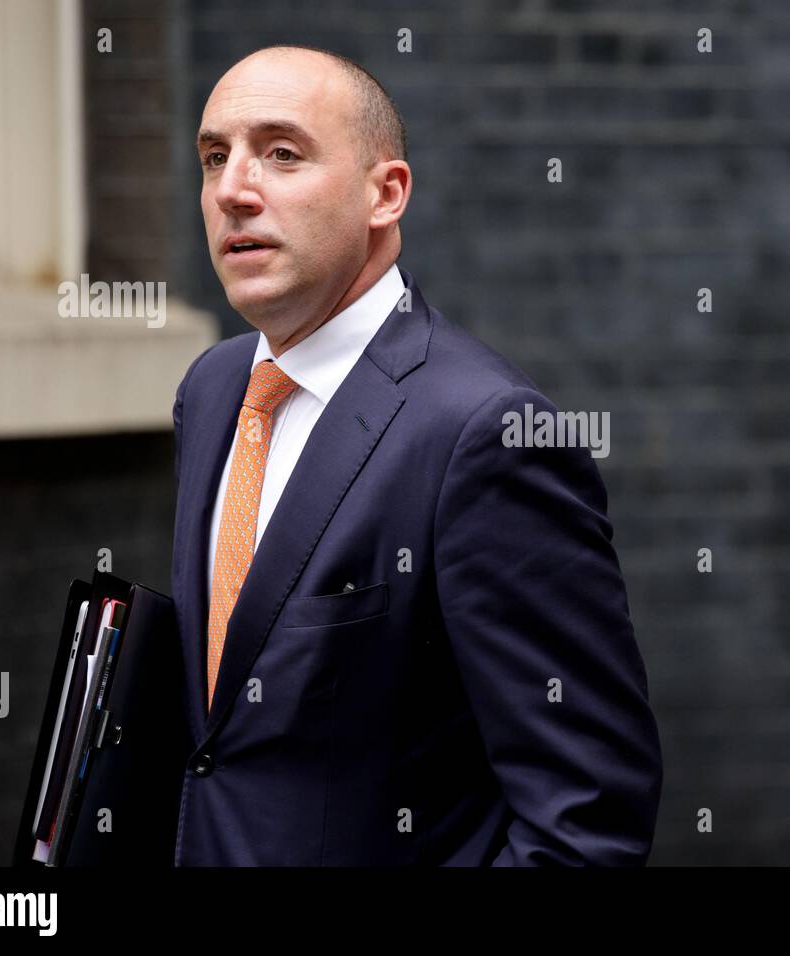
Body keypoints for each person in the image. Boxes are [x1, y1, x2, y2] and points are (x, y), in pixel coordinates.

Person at [170, 45, 662, 865]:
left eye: (282, 154)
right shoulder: (214, 389)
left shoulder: (486, 432)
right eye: (215, 157)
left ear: (385, 194)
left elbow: (587, 815)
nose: (232, 191)